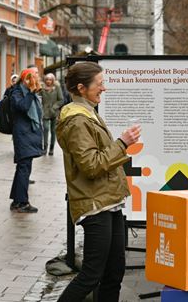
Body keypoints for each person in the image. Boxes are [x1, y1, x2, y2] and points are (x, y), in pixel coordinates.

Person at [56, 61, 140, 301]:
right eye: (99, 84)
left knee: (114, 271)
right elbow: (91, 165)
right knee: (92, 275)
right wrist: (122, 143)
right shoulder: (76, 120)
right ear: (82, 88)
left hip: (107, 201)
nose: (104, 88)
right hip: (94, 205)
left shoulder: (88, 113)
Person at [9, 67, 44, 213]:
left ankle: (17, 201)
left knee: (23, 168)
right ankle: (22, 202)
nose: (37, 77)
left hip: (28, 135)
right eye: (35, 75)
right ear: (27, 78)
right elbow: (23, 107)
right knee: (24, 168)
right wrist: (30, 92)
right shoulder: (17, 92)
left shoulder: (30, 92)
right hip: (23, 135)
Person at [41, 73, 64, 156]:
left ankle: (51, 148)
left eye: (50, 79)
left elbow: (61, 100)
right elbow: (39, 98)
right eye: (47, 79)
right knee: (46, 129)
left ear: (53, 80)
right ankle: (44, 148)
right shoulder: (42, 88)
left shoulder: (57, 87)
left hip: (54, 112)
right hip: (45, 112)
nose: (48, 81)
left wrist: (54, 107)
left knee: (53, 131)